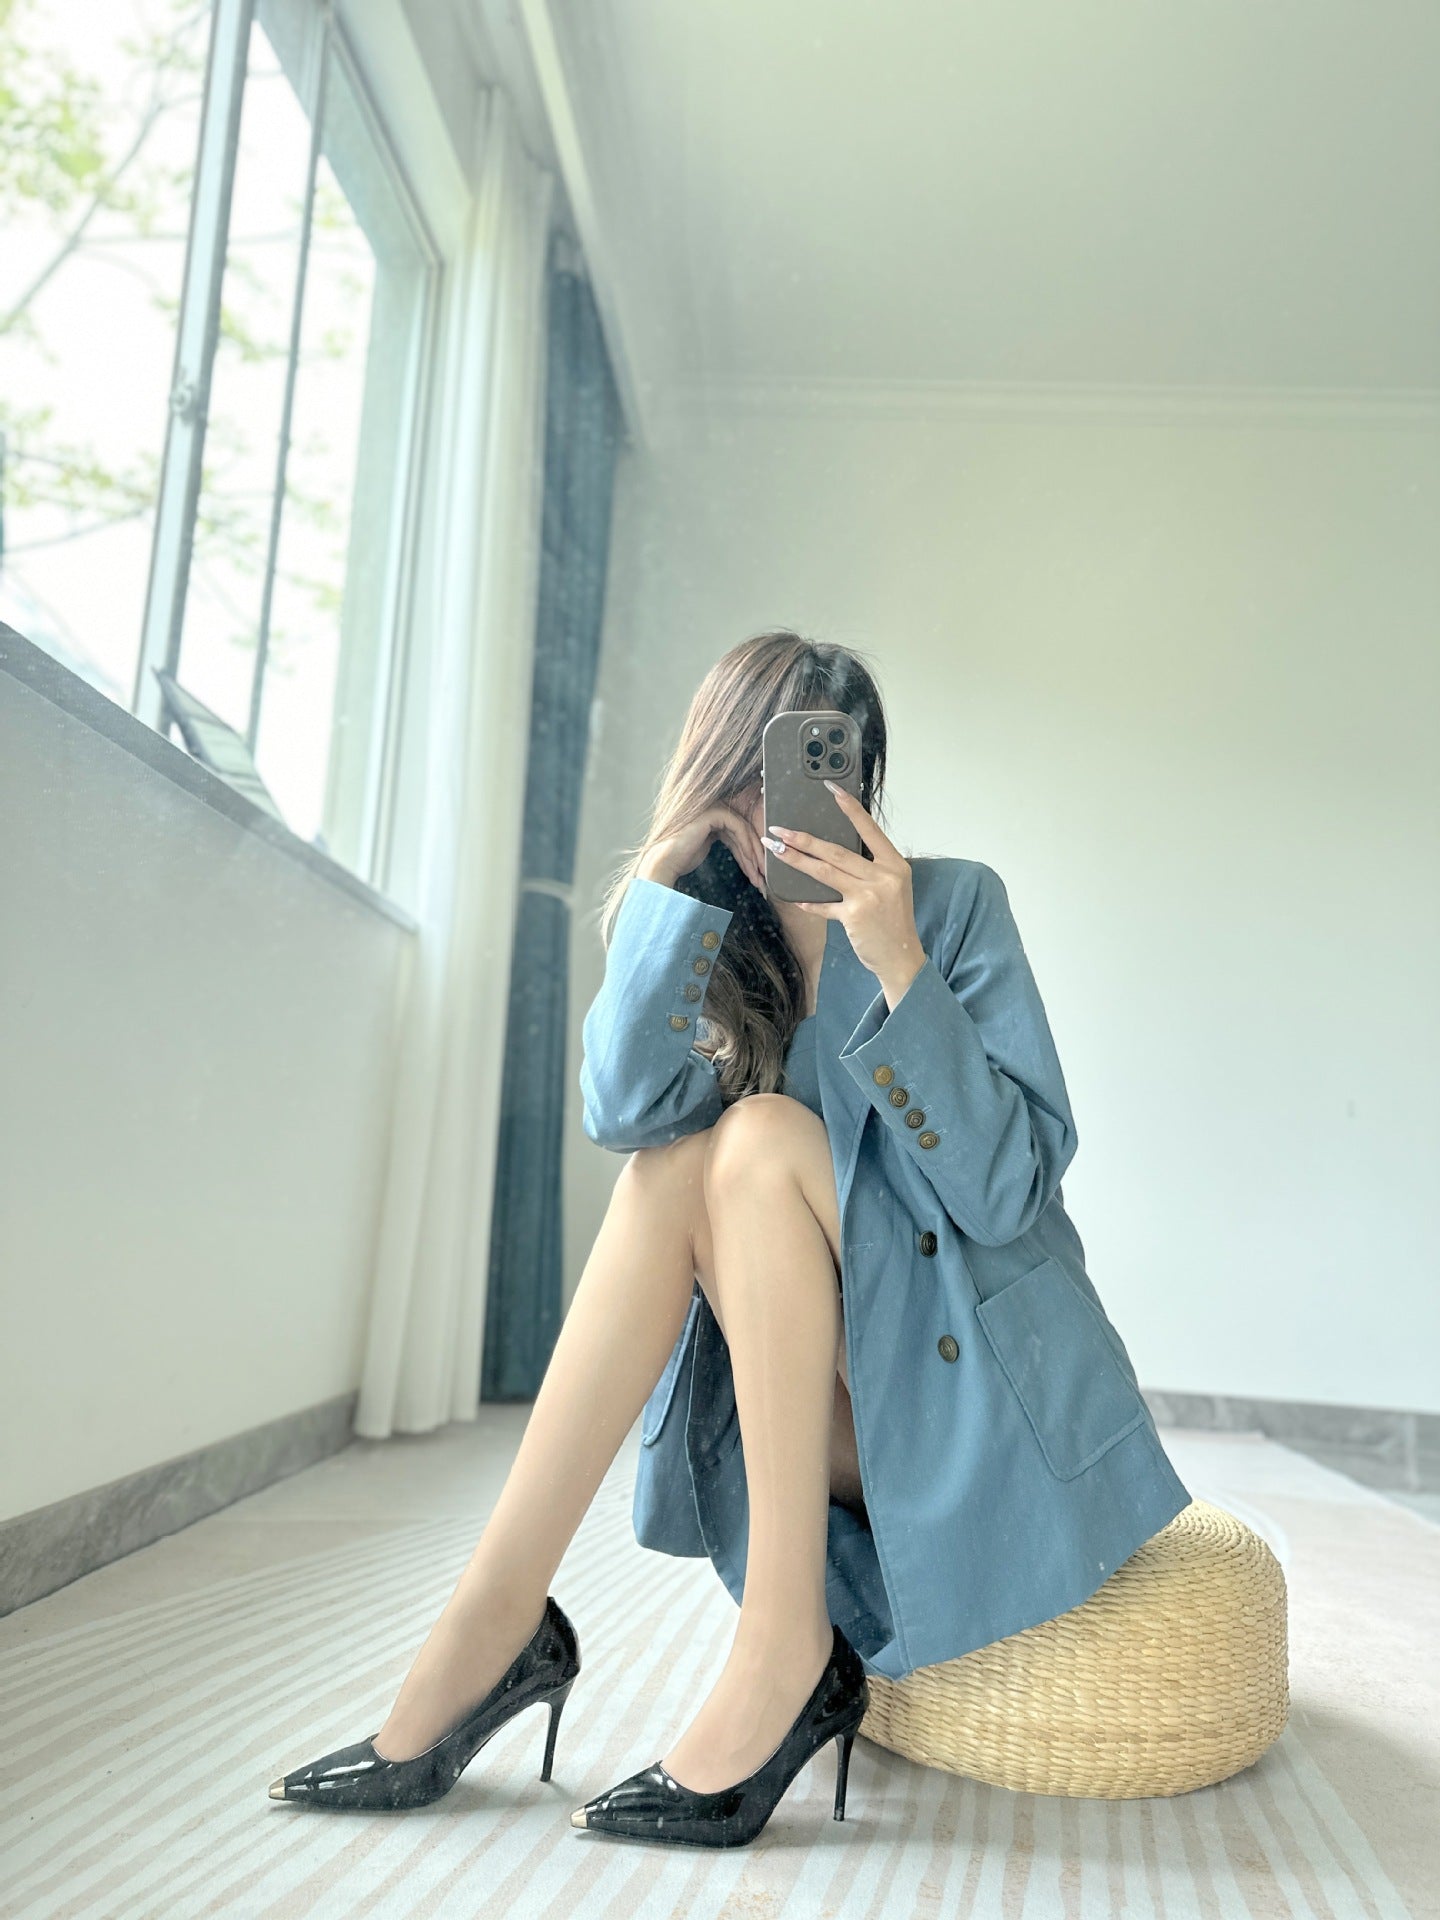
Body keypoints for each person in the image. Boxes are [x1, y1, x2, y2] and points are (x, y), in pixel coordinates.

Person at [267, 629, 1191, 1847]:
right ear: (711, 774)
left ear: (858, 775)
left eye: (812, 765)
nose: (777, 804)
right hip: (837, 1415)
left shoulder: (954, 907)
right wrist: (664, 885)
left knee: (756, 1137)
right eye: (749, 771)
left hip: (980, 1404)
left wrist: (899, 966)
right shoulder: (710, 940)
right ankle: (496, 1615)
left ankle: (781, 1646)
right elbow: (621, 1114)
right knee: (671, 1168)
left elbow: (1008, 1192)